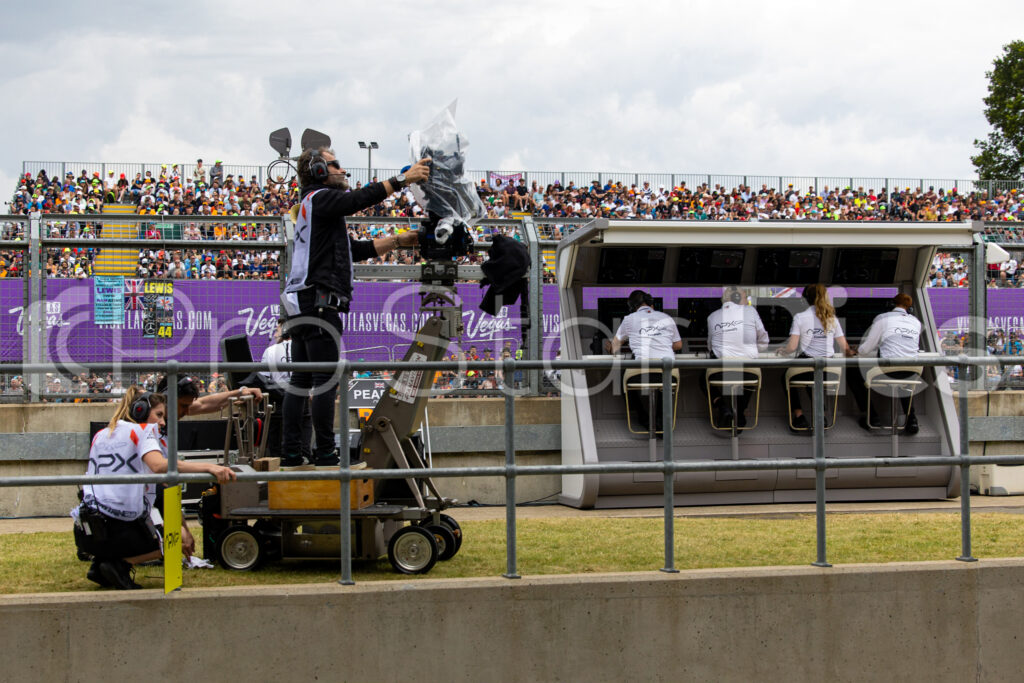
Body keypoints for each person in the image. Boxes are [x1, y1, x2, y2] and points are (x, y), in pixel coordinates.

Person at [279, 146, 430, 467]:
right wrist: (403, 179)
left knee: (301, 381)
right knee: (324, 381)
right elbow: (356, 201)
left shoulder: (312, 205)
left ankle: (292, 453)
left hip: (303, 302)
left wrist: (398, 240)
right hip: (319, 302)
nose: (342, 170)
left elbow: (352, 249)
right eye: (336, 164)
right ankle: (323, 454)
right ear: (319, 170)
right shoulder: (321, 197)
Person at [72, 387, 235, 589]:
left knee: (162, 524)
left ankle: (101, 564)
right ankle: (119, 564)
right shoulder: (142, 432)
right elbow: (160, 466)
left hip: (85, 532)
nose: (163, 422)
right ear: (140, 411)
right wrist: (209, 467)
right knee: (178, 541)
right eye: (158, 415)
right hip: (116, 530)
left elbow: (162, 483)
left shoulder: (102, 434)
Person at [776, 284, 854, 433]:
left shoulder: (800, 317)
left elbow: (792, 347)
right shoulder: (832, 318)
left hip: (807, 364)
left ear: (805, 299)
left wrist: (783, 351)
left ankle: (799, 416)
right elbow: (845, 348)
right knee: (813, 382)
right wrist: (854, 352)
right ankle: (822, 417)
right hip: (828, 368)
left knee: (786, 377)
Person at [604, 290, 682, 432]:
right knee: (665, 384)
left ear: (633, 307)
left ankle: (643, 417)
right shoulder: (666, 317)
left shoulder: (629, 319)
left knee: (622, 380)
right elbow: (678, 345)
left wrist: (610, 347)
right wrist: (661, 343)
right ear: (651, 304)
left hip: (642, 373)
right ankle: (661, 423)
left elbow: (615, 347)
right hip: (668, 373)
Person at [849, 292, 923, 434]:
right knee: (904, 379)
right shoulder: (916, 322)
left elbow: (866, 349)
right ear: (909, 307)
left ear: (891, 304)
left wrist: (856, 350)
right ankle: (912, 419)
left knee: (852, 372)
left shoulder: (882, 318)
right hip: (913, 370)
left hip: (888, 370)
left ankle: (871, 416)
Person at [706, 285, 769, 428]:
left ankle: (723, 407)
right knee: (749, 376)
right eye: (746, 297)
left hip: (721, 373)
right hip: (748, 373)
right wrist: (752, 348)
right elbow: (764, 340)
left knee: (703, 378)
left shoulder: (712, 317)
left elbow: (711, 347)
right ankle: (739, 414)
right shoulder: (750, 311)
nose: (747, 301)